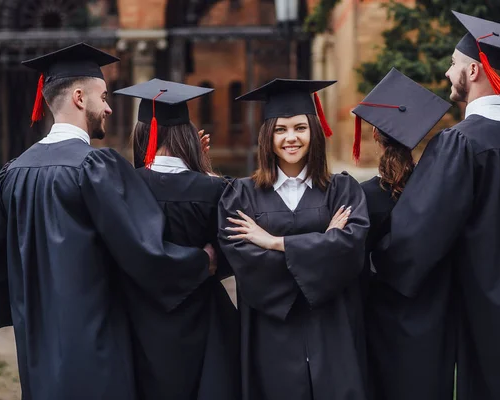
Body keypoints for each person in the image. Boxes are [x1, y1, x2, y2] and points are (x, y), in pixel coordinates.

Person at [0, 43, 215, 400]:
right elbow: (144, 250)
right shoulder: (94, 167)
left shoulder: (14, 173)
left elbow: (0, 262)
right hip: (94, 341)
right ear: (79, 97)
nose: (108, 107)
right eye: (103, 96)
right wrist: (201, 260)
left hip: (37, 342)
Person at [376, 12, 500, 400]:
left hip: (491, 309)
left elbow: (417, 239)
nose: (448, 72)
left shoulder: (459, 144)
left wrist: (373, 258)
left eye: (453, 64)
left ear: (473, 69)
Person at [218, 79, 370, 400]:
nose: (291, 138)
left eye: (300, 127)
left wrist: (275, 243)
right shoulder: (240, 196)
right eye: (280, 129)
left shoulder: (342, 190)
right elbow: (245, 264)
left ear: (314, 131)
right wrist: (324, 243)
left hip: (333, 327)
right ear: (267, 136)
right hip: (271, 329)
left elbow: (350, 252)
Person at [113, 79, 240, 400]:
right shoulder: (213, 189)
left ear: (143, 134)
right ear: (188, 136)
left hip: (139, 319)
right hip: (203, 317)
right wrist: (204, 170)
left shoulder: (123, 187)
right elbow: (229, 255)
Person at [352, 68, 453, 400]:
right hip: (433, 315)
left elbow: (355, 264)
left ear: (375, 136)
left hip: (382, 316)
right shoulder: (436, 189)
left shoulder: (365, 196)